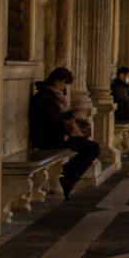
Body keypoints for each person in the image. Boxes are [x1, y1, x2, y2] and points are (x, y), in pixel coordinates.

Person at [30, 67, 100, 197]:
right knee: (92, 148)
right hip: (48, 137)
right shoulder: (43, 97)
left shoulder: (54, 96)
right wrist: (71, 114)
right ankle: (68, 174)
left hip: (58, 135)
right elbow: (52, 118)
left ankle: (69, 176)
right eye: (64, 83)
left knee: (92, 147)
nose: (64, 87)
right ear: (56, 81)